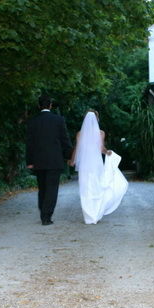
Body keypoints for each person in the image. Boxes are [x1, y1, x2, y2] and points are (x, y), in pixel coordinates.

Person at [69, 110, 128, 224]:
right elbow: (101, 149)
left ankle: (88, 217)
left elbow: (77, 149)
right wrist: (108, 152)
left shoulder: (80, 134)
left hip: (85, 166)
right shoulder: (100, 133)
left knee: (85, 189)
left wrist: (73, 160)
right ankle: (95, 214)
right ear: (97, 120)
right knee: (96, 189)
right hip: (96, 164)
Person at [26, 94, 73, 225]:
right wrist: (69, 156)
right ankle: (46, 216)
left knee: (42, 188)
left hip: (38, 161)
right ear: (51, 105)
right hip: (54, 160)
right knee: (52, 189)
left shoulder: (33, 121)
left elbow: (30, 143)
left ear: (38, 105)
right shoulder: (58, 120)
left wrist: (29, 161)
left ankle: (43, 211)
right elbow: (65, 140)